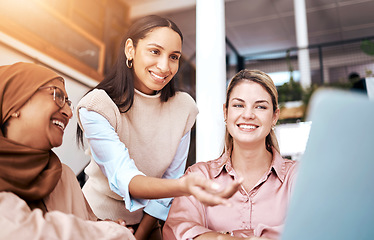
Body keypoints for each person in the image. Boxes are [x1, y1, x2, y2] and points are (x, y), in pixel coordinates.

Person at [76, 15, 240, 239]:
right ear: (130, 50)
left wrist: (141, 234)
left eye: (174, 57)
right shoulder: (97, 106)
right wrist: (184, 187)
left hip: (149, 223)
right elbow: (124, 176)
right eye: (155, 51)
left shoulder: (184, 108)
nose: (165, 66)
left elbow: (170, 177)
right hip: (94, 220)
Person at [0, 62, 135, 239]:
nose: (69, 113)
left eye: (68, 103)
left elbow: (88, 225)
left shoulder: (63, 176)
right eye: (57, 95)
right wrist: (108, 233)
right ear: (16, 101)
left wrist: (104, 225)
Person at [163, 69, 299, 240]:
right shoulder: (200, 176)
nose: (248, 114)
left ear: (274, 117)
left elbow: (315, 230)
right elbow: (176, 231)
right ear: (226, 112)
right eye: (238, 105)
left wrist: (216, 236)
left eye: (260, 107)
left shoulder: (298, 177)